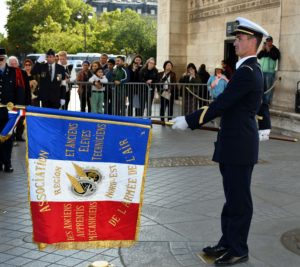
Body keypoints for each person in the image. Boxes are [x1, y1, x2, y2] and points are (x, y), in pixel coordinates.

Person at [172, 17, 268, 266]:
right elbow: (253, 104)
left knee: (239, 201)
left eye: (240, 39)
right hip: (234, 142)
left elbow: (222, 104)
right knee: (232, 198)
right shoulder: (247, 70)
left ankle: (238, 249)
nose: (235, 42)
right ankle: (227, 242)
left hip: (239, 145)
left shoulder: (247, 72)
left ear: (252, 42)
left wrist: (190, 120)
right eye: (236, 38)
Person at [0, 48, 30, 172]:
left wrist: (19, 108)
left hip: (9, 111)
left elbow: (20, 91)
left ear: (5, 59)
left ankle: (7, 162)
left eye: (1, 59)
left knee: (8, 137)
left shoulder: (15, 72)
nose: (0, 61)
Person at [7, 56, 31, 142]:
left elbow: (27, 88)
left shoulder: (23, 73)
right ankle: (11, 136)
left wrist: (28, 100)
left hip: (22, 100)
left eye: (15, 63)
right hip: (11, 101)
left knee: (21, 119)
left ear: (18, 63)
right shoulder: (7, 73)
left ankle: (19, 135)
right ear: (9, 65)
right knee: (11, 119)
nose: (14, 65)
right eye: (12, 64)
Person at [257, 36, 280, 105]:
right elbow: (258, 56)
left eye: (269, 41)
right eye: (267, 41)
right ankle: (262, 101)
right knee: (262, 87)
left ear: (272, 42)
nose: (268, 42)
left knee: (269, 88)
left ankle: (267, 102)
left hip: (270, 72)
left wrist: (269, 50)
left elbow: (275, 57)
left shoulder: (275, 49)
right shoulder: (264, 50)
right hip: (262, 71)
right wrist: (262, 49)